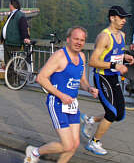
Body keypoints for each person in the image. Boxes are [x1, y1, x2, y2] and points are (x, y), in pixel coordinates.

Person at [24, 26, 99, 163]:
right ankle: (34, 152)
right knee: (67, 145)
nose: (79, 42)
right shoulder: (59, 56)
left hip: (71, 104)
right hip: (57, 103)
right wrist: (61, 95)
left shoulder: (82, 57)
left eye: (82, 40)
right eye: (76, 39)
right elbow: (41, 78)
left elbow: (81, 80)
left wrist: (89, 88)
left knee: (74, 145)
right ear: (68, 39)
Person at [81, 6, 134, 156]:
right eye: (121, 17)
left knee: (120, 114)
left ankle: (90, 120)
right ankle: (94, 142)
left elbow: (116, 53)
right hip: (101, 76)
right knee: (111, 112)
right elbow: (92, 61)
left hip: (113, 77)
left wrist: (125, 57)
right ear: (112, 18)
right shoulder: (103, 36)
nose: (124, 20)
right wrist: (115, 65)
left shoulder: (122, 35)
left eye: (125, 18)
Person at [0, 0, 30, 64]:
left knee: (13, 63)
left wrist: (26, 37)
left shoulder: (20, 15)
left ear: (12, 5)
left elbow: (24, 27)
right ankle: (9, 74)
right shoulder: (12, 14)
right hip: (8, 42)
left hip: (14, 43)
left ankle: (12, 74)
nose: (9, 6)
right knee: (8, 63)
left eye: (9, 4)